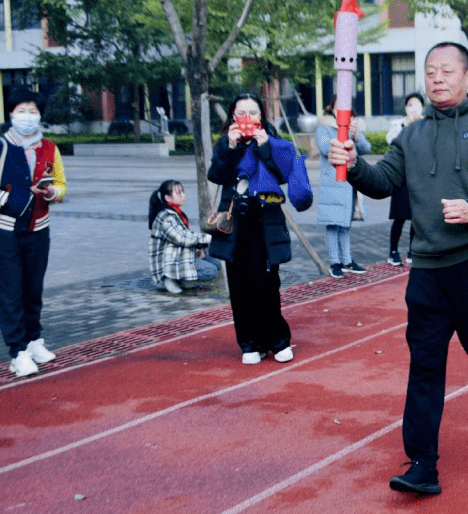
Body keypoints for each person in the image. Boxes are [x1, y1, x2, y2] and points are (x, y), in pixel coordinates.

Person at [328, 42, 468, 495]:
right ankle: (423, 463)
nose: (436, 78)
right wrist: (355, 165)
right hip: (426, 269)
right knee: (424, 364)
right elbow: (383, 183)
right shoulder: (413, 135)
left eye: (446, 71)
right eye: (430, 72)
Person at [208, 92, 312, 365]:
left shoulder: (273, 141)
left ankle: (277, 341)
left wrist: (265, 148)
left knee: (267, 284)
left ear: (261, 116)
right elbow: (216, 176)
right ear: (233, 117)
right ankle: (249, 343)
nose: (248, 118)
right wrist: (230, 147)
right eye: (242, 113)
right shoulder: (225, 143)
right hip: (235, 223)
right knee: (240, 287)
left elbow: (284, 176)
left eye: (253, 113)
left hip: (265, 222)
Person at [2, 87, 66, 378]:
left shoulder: (50, 147)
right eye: (21, 111)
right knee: (12, 291)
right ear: (11, 113)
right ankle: (17, 352)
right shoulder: (2, 146)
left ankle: (33, 339)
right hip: (6, 232)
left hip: (39, 229)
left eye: (33, 112)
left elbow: (62, 185)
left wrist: (53, 192)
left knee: (34, 288)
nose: (27, 117)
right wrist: (15, 199)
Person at [317, 100, 371, 278]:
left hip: (349, 183)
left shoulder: (353, 126)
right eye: (337, 105)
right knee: (333, 224)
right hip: (332, 182)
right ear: (331, 108)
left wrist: (355, 136)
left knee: (345, 225)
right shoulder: (324, 128)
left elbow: (366, 148)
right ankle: (335, 262)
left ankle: (347, 260)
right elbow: (326, 148)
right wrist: (343, 132)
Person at [148, 180, 216, 294]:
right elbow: (181, 239)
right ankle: (167, 278)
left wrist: (199, 249)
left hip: (178, 255)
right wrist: (206, 239)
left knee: (216, 263)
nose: (183, 195)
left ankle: (182, 279)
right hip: (169, 261)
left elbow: (186, 235)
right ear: (168, 198)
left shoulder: (176, 212)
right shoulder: (165, 216)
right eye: (179, 193)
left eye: (182, 192)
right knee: (210, 270)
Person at [386, 93, 425, 266]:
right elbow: (391, 140)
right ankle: (393, 251)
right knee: (399, 216)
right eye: (410, 104)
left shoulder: (427, 124)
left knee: (416, 216)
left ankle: (412, 250)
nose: (413, 107)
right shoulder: (398, 124)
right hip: (401, 177)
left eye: (416, 104)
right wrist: (405, 125)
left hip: (420, 176)